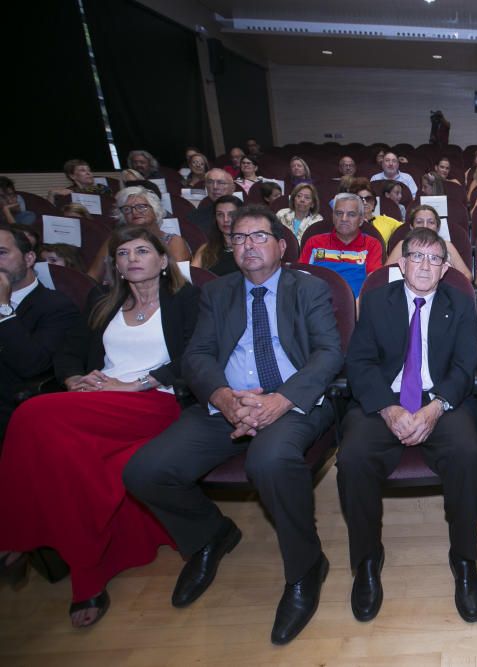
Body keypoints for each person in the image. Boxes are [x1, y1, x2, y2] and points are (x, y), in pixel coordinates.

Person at [124, 205, 343, 646]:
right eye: (239, 239)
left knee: (270, 461)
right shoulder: (218, 292)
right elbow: (197, 357)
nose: (248, 246)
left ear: (281, 245)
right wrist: (225, 398)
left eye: (259, 237)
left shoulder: (310, 288)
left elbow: (328, 354)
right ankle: (210, 535)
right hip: (228, 403)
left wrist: (278, 401)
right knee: (144, 471)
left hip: (292, 402)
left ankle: (305, 568)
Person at [0, 226, 198, 627]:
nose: (132, 259)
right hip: (97, 399)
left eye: (143, 250)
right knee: (69, 463)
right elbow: (71, 350)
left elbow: (196, 358)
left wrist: (137, 383)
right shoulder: (104, 300)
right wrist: (74, 378)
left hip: (153, 401)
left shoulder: (186, 300)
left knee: (29, 415)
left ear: (163, 261)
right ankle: (87, 576)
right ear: (116, 265)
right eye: (123, 253)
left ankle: (12, 538)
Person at [338, 226, 477, 623]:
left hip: (440, 401)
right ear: (400, 264)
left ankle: (465, 559)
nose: (424, 265)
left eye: (434, 258)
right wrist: (390, 409)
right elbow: (360, 363)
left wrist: (435, 408)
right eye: (416, 256)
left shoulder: (461, 303)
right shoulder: (376, 301)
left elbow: (464, 367)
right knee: (352, 458)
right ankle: (367, 560)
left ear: (444, 267)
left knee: (468, 453)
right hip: (385, 401)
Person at [0, 225, 81, 439]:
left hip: (13, 404)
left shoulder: (56, 306)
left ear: (28, 259)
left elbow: (31, 365)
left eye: (2, 253)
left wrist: (3, 308)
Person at [87, 186, 191, 282]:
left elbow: (178, 281)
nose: (135, 212)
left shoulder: (173, 242)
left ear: (156, 211)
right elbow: (92, 277)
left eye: (141, 207)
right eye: (127, 209)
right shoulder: (113, 241)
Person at [299, 192, 383, 297]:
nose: (344, 219)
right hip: (317, 305)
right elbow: (300, 278)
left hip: (356, 307)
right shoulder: (314, 243)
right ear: (333, 217)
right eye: (339, 213)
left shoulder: (372, 245)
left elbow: (373, 283)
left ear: (361, 220)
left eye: (351, 214)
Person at [386, 206, 472, 281]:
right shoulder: (402, 245)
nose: (425, 226)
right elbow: (384, 275)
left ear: (437, 227)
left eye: (431, 222)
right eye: (419, 222)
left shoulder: (447, 246)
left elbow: (467, 276)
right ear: (412, 227)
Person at [192, 195, 244, 276]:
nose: (225, 219)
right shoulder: (206, 249)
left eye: (231, 214)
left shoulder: (250, 247)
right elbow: (194, 277)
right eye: (220, 215)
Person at [187, 169, 236, 235]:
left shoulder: (244, 214)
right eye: (210, 182)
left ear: (232, 188)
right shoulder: (194, 217)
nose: (215, 187)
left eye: (221, 182)